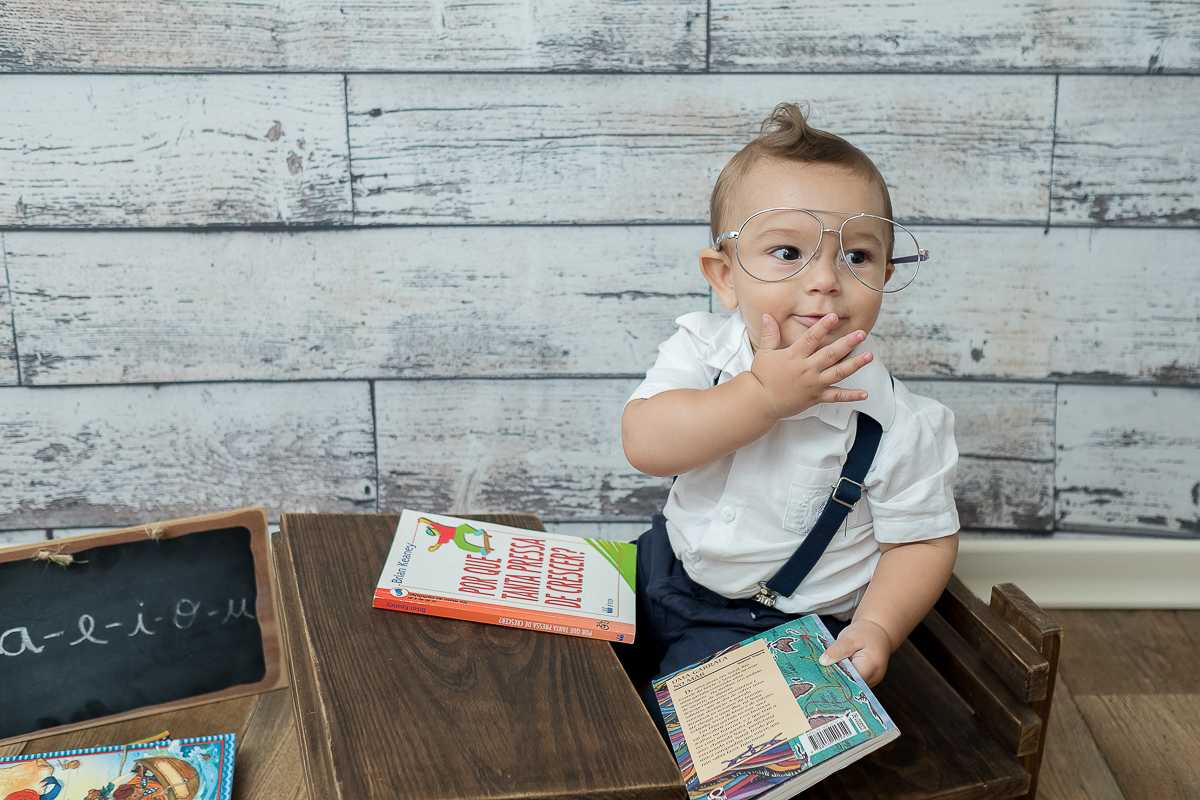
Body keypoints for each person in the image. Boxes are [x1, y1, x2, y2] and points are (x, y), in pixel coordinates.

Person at [618, 102, 959, 736]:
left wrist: (878, 626)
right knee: (561, 666)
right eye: (787, 251)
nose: (825, 279)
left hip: (770, 627)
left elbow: (920, 542)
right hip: (662, 564)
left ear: (885, 276)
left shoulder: (900, 425)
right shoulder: (701, 350)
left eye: (857, 257)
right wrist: (762, 397)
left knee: (672, 739)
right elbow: (645, 443)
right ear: (726, 276)